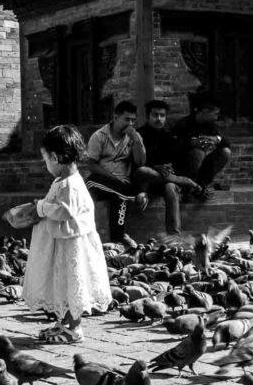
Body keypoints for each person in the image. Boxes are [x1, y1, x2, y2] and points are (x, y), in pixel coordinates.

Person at [22, 125, 111, 345]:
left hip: (73, 248)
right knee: (62, 286)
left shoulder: (72, 184)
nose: (46, 164)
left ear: (55, 157)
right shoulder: (63, 181)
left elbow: (64, 211)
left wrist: (41, 207)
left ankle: (75, 328)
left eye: (46, 159)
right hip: (63, 245)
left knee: (72, 285)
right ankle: (64, 323)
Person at [133, 100, 201, 235]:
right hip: (144, 180)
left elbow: (176, 161)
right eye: (155, 115)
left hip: (164, 180)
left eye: (162, 115)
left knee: (170, 187)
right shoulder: (138, 135)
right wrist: (155, 167)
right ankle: (185, 181)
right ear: (148, 116)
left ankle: (174, 236)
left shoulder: (170, 136)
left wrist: (168, 168)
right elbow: (135, 162)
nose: (159, 119)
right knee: (142, 170)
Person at [84, 100, 145, 246]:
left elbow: (140, 162)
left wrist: (137, 141)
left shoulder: (133, 138)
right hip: (99, 181)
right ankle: (131, 195)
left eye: (133, 120)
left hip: (121, 186)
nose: (130, 124)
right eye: (126, 119)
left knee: (120, 197)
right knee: (122, 192)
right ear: (115, 117)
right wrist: (112, 178)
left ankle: (117, 240)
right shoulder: (99, 136)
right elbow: (91, 164)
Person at [172, 92, 232, 192]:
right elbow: (174, 147)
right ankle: (187, 185)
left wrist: (216, 139)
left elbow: (226, 143)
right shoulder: (184, 124)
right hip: (182, 166)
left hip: (202, 166)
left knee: (225, 152)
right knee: (198, 153)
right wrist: (193, 143)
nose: (216, 118)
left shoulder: (209, 125)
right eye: (215, 114)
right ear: (205, 111)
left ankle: (202, 184)